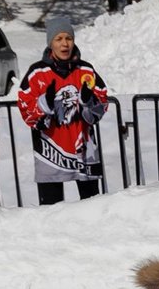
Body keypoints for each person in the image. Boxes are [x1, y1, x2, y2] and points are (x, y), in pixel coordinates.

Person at [14, 25, 112, 203]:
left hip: (84, 154)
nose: (64, 44)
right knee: (51, 211)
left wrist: (89, 101)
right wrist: (45, 103)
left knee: (93, 208)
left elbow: (101, 105)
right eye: (58, 39)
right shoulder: (37, 73)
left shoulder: (86, 70)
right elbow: (26, 110)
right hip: (50, 155)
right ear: (50, 43)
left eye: (68, 38)